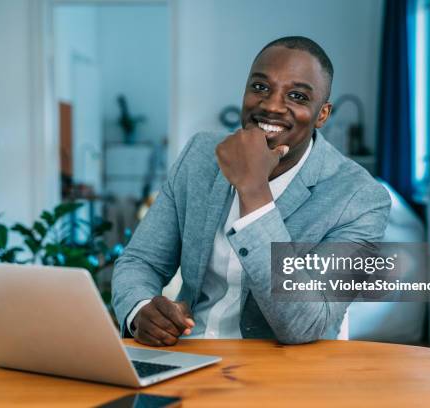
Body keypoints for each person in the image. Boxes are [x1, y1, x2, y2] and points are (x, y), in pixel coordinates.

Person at [112, 36, 391, 346]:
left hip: (284, 377)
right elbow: (141, 261)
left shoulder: (360, 198)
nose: (271, 105)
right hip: (188, 355)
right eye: (260, 87)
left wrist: (254, 191)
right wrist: (140, 311)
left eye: (297, 95)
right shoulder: (201, 154)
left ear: (322, 114)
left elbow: (305, 324)